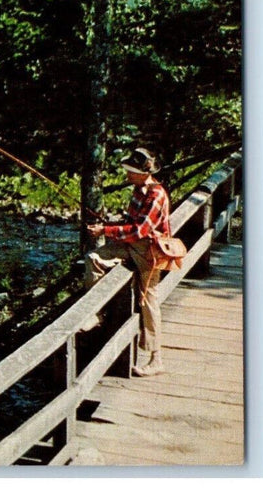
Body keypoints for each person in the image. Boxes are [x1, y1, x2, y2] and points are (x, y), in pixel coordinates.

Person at [83, 147, 171, 377]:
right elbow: (131, 222)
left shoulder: (156, 195)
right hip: (132, 246)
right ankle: (97, 312)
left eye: (131, 171)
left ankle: (156, 359)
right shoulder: (138, 190)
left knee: (148, 302)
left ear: (144, 173)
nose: (127, 175)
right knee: (93, 258)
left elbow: (140, 230)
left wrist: (106, 229)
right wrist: (112, 225)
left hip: (150, 253)